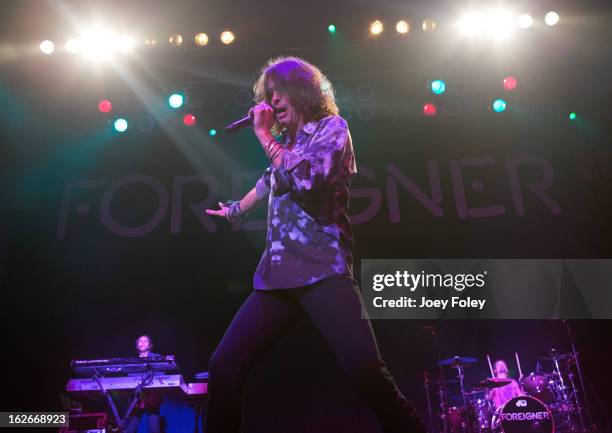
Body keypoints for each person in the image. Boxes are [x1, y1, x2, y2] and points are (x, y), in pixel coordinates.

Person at [204, 56, 426, 433]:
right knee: (223, 369)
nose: (273, 102)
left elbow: (307, 182)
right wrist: (235, 212)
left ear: (303, 92)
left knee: (365, 371)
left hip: (323, 269)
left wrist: (264, 136)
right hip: (276, 277)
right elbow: (267, 182)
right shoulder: (286, 143)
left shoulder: (333, 130)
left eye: (279, 94)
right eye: (268, 96)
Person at [124, 335, 163, 433]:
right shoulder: (132, 361)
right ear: (137, 345)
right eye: (140, 341)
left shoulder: (157, 357)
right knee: (130, 428)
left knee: (154, 429)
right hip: (137, 394)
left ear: (150, 345)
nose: (142, 343)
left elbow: (163, 372)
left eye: (145, 341)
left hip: (152, 393)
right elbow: (129, 376)